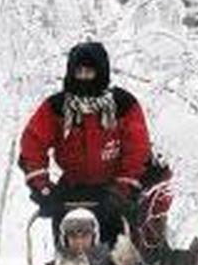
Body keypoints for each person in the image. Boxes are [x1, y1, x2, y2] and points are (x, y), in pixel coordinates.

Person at [18, 41, 153, 247]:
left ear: (101, 73)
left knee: (114, 256)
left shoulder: (123, 106)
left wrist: (124, 189)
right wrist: (43, 189)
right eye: (78, 72)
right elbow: (32, 144)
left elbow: (138, 150)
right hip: (71, 188)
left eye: (89, 72)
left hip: (113, 190)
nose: (83, 77)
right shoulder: (57, 108)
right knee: (68, 250)